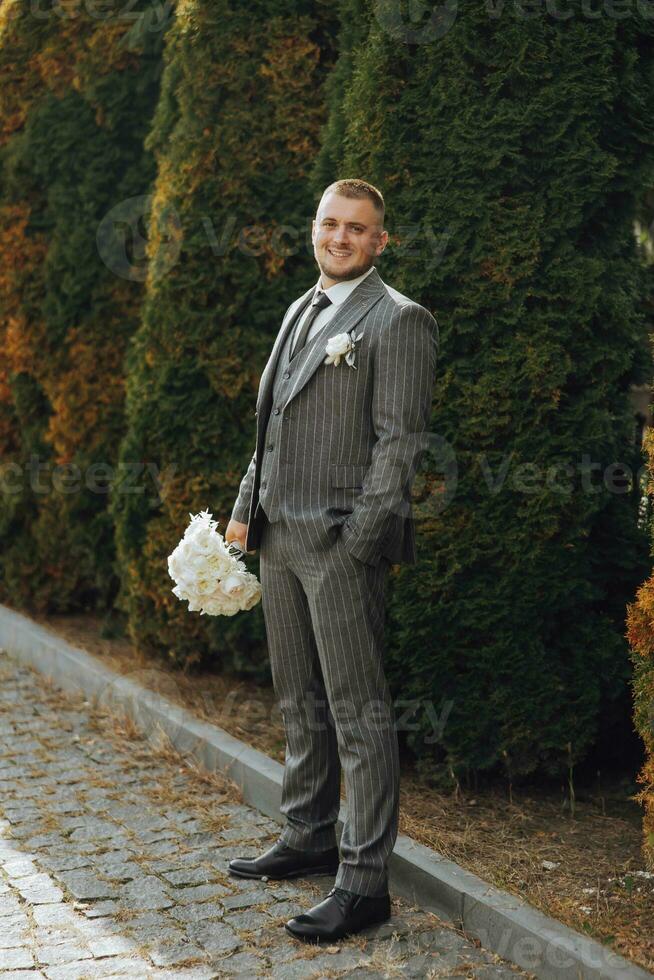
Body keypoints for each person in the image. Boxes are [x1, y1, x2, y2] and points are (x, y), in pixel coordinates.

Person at [224, 178, 439, 942]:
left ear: (381, 240)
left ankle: (364, 881)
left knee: (357, 712)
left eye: (357, 228)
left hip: (344, 546)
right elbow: (271, 423)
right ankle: (308, 832)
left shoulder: (399, 321)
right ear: (313, 228)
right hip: (280, 537)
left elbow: (400, 445)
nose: (340, 237)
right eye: (329, 223)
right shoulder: (299, 308)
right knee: (298, 697)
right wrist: (247, 512)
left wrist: (359, 544)